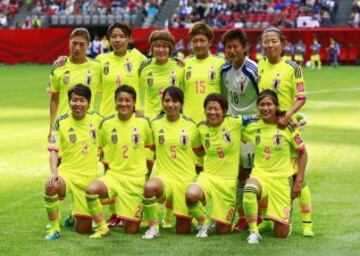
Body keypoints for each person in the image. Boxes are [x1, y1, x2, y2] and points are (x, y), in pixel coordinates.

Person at [258, 27, 314, 237]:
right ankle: (265, 218)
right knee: (266, 172)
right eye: (266, 42)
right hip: (265, 126)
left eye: (273, 41)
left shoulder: (292, 67)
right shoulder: (260, 65)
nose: (269, 45)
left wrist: (288, 116)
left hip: (285, 126)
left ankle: (307, 223)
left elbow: (301, 97)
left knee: (298, 176)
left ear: (282, 43)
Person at [85, 85, 153, 238]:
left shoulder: (143, 123)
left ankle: (137, 210)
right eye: (120, 100)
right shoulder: (107, 124)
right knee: (91, 189)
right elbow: (101, 150)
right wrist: (105, 174)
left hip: (135, 180)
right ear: (115, 102)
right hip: (114, 176)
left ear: (134, 103)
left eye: (128, 100)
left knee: (131, 231)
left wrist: (145, 178)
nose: (123, 104)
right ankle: (103, 228)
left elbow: (151, 151)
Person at [242, 89, 308, 244]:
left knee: (281, 234)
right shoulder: (252, 127)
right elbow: (235, 133)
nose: (265, 108)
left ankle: (282, 219)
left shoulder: (288, 127)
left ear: (276, 106)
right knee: (250, 189)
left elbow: (303, 153)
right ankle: (253, 232)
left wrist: (298, 181)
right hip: (260, 176)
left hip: (281, 180)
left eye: (269, 104)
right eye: (261, 105)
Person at [185, 93, 251, 238]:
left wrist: (286, 118)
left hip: (227, 183)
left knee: (223, 232)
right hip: (208, 177)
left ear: (225, 111)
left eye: (216, 109)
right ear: (204, 110)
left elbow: (258, 118)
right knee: (191, 194)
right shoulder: (201, 128)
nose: (212, 112)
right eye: (209, 109)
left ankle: (218, 222)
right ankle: (205, 223)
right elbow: (198, 151)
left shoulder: (235, 122)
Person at [142, 86, 203, 239]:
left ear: (182, 104)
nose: (171, 105)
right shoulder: (154, 125)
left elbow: (200, 152)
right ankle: (153, 228)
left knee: (183, 230)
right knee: (149, 187)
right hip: (165, 179)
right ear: (162, 102)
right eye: (167, 101)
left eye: (175, 101)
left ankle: (201, 220)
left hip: (185, 180)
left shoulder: (191, 126)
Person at [44, 84, 103, 240]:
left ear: (89, 103)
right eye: (74, 100)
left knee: (83, 230)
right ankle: (54, 229)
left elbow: (116, 125)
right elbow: (53, 150)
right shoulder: (61, 121)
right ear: (69, 102)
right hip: (68, 174)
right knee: (51, 185)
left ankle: (73, 215)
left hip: (89, 179)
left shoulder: (98, 120)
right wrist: (54, 173)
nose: (78, 104)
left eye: (82, 100)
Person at [220, 29, 259, 232]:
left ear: (245, 48)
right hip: (233, 130)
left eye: (236, 46)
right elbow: (224, 98)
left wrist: (251, 119)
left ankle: (255, 216)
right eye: (228, 47)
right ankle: (243, 216)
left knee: (250, 172)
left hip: (252, 128)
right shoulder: (225, 70)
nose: (232, 50)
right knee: (235, 174)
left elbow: (265, 100)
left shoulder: (253, 70)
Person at [47, 27, 101, 142]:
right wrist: (52, 126)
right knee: (58, 160)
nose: (77, 48)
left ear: (88, 45)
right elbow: (54, 99)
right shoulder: (59, 67)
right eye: (74, 43)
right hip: (63, 126)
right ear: (69, 43)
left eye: (82, 44)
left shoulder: (97, 67)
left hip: (88, 126)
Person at [183, 22, 225, 124]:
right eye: (195, 41)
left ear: (210, 42)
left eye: (202, 41)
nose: (198, 45)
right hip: (189, 122)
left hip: (213, 121)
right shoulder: (184, 64)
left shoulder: (220, 64)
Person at [139, 30, 184, 120]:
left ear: (170, 49)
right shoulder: (144, 67)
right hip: (150, 119)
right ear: (152, 48)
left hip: (172, 119)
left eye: (165, 46)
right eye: (157, 46)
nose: (161, 50)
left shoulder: (180, 66)